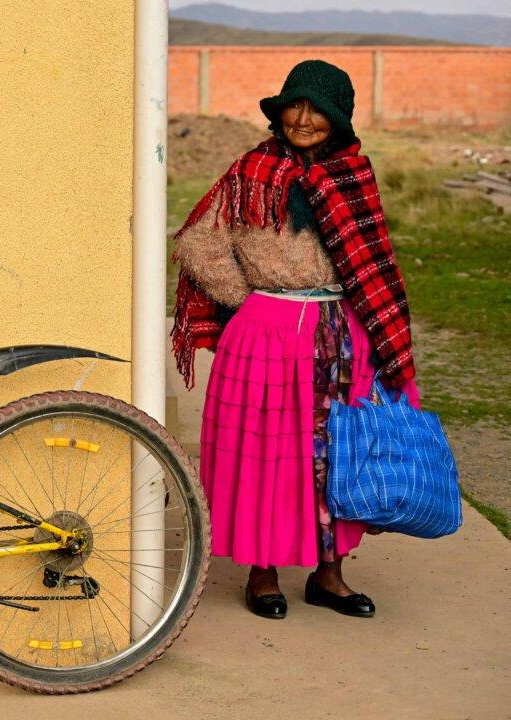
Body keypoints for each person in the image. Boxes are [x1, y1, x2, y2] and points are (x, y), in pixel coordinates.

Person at [171, 60, 421, 619]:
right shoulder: (251, 171)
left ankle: (329, 576)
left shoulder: (354, 174)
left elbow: (372, 263)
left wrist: (383, 341)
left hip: (341, 333)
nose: (304, 120)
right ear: (280, 110)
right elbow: (198, 243)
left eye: (318, 110)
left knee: (340, 453)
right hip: (266, 332)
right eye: (295, 106)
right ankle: (263, 573)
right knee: (268, 453)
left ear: (339, 118)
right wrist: (252, 300)